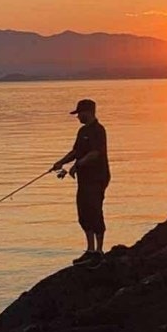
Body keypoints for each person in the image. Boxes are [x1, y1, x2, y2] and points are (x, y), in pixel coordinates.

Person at [50, 98, 111, 264]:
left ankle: (99, 251)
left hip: (98, 178)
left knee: (94, 210)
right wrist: (61, 162)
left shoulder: (99, 130)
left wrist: (77, 166)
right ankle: (90, 250)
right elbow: (76, 151)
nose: (78, 117)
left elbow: (95, 153)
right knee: (83, 214)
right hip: (84, 180)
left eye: (80, 114)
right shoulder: (82, 131)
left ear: (88, 112)